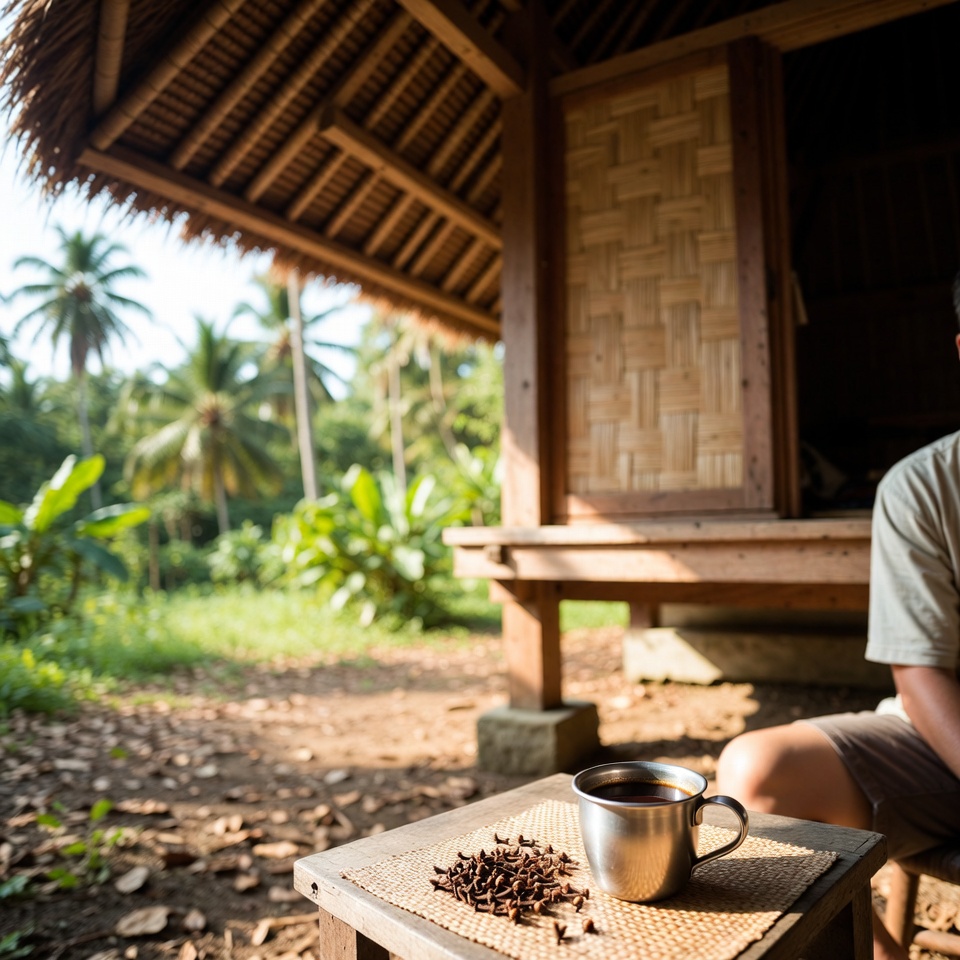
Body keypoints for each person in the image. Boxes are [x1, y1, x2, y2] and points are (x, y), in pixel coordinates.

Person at [716, 272, 960, 960]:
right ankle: (877, 954)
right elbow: (920, 672)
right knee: (758, 774)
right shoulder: (926, 487)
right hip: (946, 746)